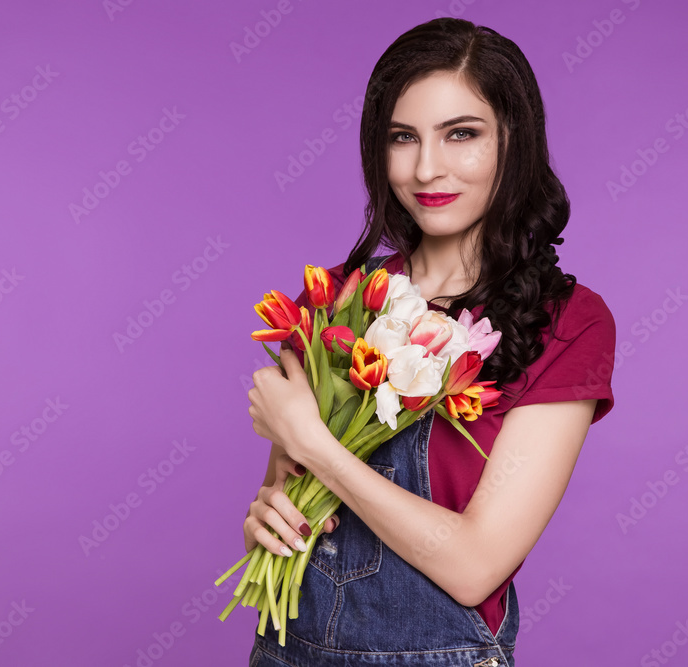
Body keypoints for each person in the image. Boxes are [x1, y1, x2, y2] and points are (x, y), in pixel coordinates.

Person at [243, 17, 616, 666]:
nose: (425, 168)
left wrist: (313, 443)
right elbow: (286, 499)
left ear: (513, 143)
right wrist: (265, 520)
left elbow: (475, 564)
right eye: (402, 138)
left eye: (461, 134)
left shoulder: (569, 321)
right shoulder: (331, 302)